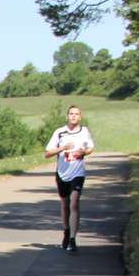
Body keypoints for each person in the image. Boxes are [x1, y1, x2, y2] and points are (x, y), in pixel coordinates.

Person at [43, 105, 95, 252]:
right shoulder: (59, 132)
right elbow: (47, 154)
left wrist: (84, 152)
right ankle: (66, 231)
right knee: (65, 205)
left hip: (77, 173)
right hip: (62, 173)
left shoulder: (84, 131)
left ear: (80, 117)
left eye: (76, 114)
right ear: (67, 116)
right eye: (71, 114)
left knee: (74, 203)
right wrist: (62, 148)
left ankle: (72, 239)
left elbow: (91, 147)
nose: (73, 116)